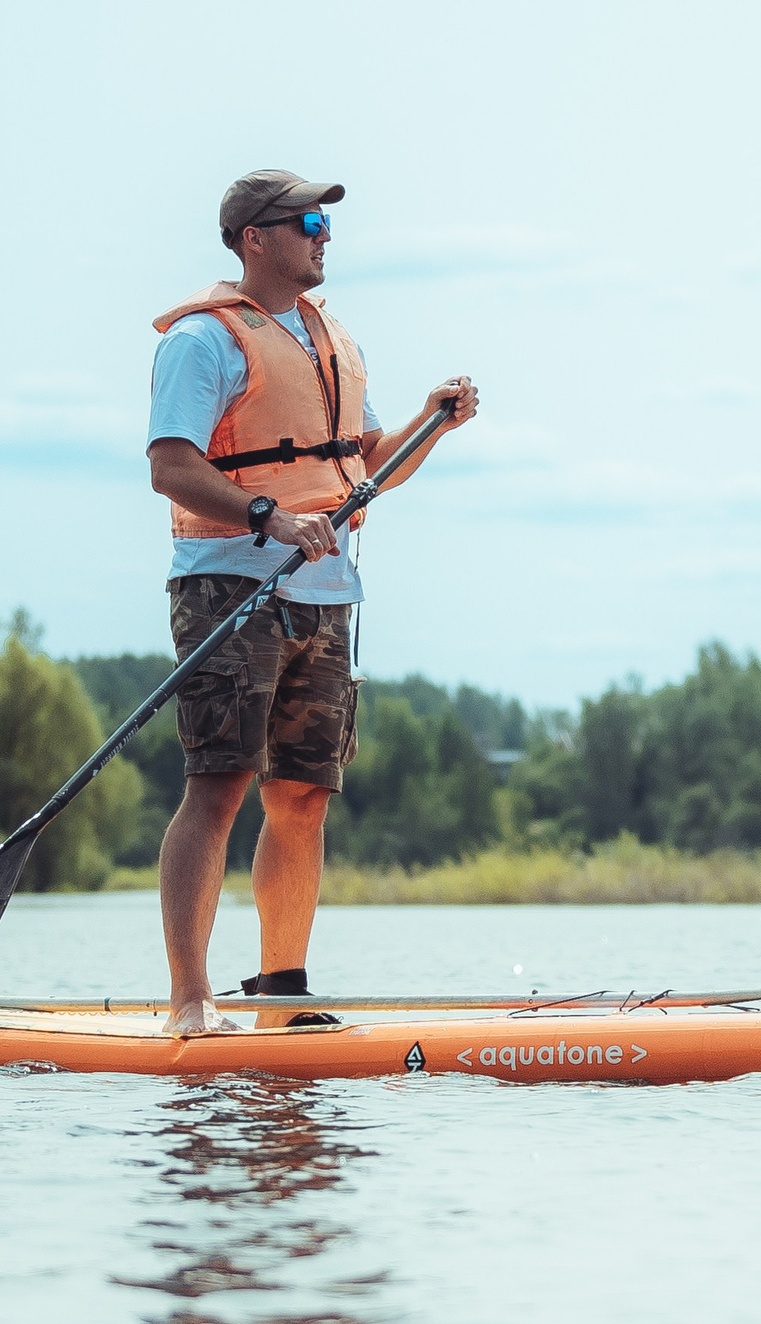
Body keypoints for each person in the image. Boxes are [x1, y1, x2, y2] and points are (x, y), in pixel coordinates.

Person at [147, 169, 478, 1037]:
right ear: (255, 238)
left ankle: (281, 994)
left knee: (303, 794)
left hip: (325, 595)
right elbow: (171, 467)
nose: (322, 234)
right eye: (305, 221)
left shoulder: (332, 339)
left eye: (325, 222)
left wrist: (430, 421)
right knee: (218, 785)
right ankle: (191, 1001)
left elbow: (370, 465)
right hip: (230, 585)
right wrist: (269, 517)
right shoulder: (203, 341)